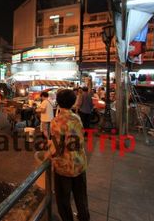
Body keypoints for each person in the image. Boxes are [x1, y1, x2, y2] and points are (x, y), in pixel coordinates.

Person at [50, 89, 90, 221]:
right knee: (81, 198)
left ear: (58, 102)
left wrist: (48, 153)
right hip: (79, 164)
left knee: (63, 200)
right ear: (73, 102)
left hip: (64, 167)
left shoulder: (56, 121)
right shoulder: (77, 118)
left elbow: (57, 149)